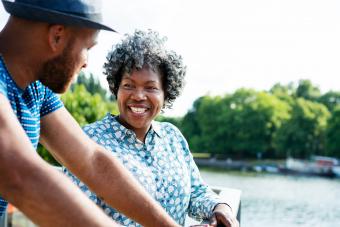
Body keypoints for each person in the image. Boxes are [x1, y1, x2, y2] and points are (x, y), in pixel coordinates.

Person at [0, 1, 180, 226]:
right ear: (57, 36)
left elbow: (92, 161)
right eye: (88, 48)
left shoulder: (36, 89)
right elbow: (22, 177)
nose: (86, 64)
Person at [64, 30, 239, 227]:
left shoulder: (173, 137)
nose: (139, 95)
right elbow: (77, 218)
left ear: (166, 93)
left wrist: (220, 207)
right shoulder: (88, 140)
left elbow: (195, 191)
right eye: (129, 85)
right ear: (116, 88)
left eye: (151, 87)